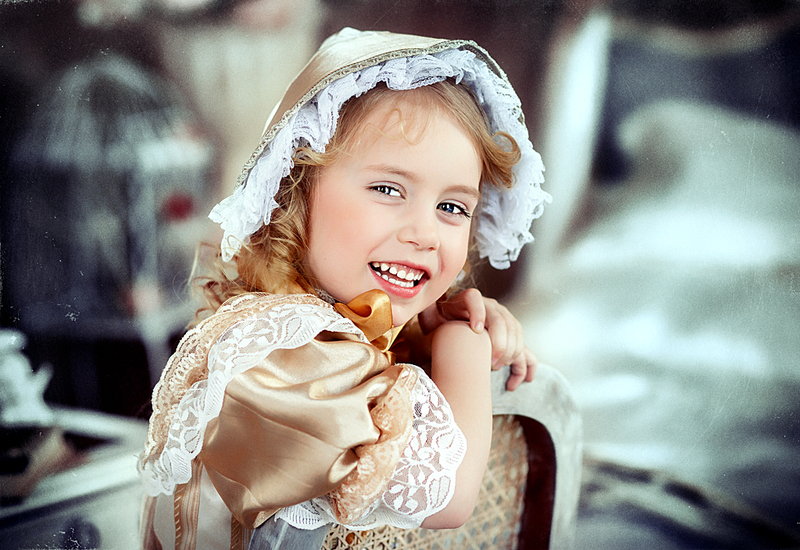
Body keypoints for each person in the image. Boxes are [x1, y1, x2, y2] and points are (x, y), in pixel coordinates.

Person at [138, 27, 550, 550]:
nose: (425, 233)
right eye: (388, 189)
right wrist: (462, 345)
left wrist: (436, 327)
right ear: (296, 192)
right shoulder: (279, 354)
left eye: (452, 207)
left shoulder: (350, 331)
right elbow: (448, 498)